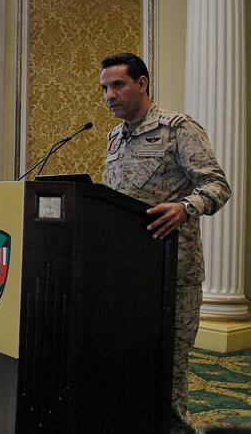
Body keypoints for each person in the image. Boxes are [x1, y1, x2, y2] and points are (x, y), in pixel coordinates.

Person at [99, 53, 231, 433]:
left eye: (118, 85)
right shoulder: (114, 137)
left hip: (173, 270)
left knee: (169, 368)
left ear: (142, 84)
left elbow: (218, 185)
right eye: (105, 88)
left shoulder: (178, 129)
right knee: (129, 362)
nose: (110, 95)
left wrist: (185, 207)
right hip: (127, 272)